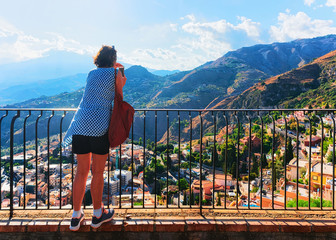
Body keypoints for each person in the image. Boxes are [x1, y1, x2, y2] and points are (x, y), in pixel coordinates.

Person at [63, 45, 124, 231]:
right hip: (100, 127)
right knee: (97, 173)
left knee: (81, 173)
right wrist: (119, 69)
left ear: (98, 59)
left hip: (80, 125)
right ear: (113, 59)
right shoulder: (115, 74)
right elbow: (120, 94)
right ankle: (98, 215)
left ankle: (75, 216)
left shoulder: (91, 73)